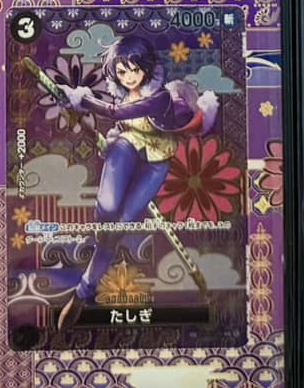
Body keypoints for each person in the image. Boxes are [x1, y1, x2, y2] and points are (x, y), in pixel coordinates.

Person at [50, 33, 217, 328]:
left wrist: (80, 98)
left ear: (147, 67)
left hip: (156, 163)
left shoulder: (160, 97)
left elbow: (116, 112)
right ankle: (103, 233)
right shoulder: (123, 94)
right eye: (121, 71)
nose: (128, 77)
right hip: (125, 149)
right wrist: (74, 102)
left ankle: (82, 293)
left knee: (119, 227)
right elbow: (118, 115)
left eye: (134, 69)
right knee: (107, 209)